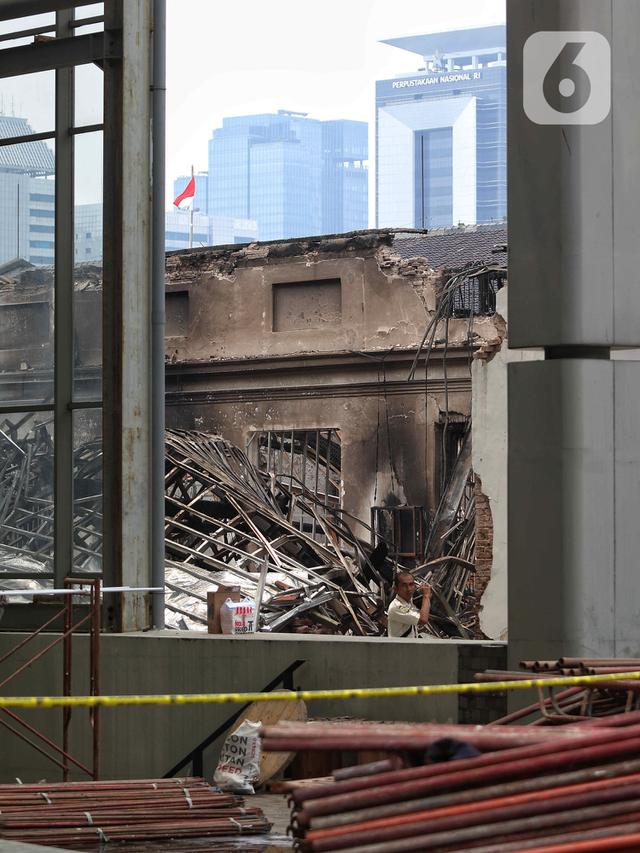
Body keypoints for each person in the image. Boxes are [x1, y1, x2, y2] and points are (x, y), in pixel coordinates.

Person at [386, 571, 431, 638]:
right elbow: (423, 620)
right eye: (404, 585)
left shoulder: (409, 601)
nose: (409, 589)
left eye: (411, 584)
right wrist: (426, 596)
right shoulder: (397, 606)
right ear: (396, 589)